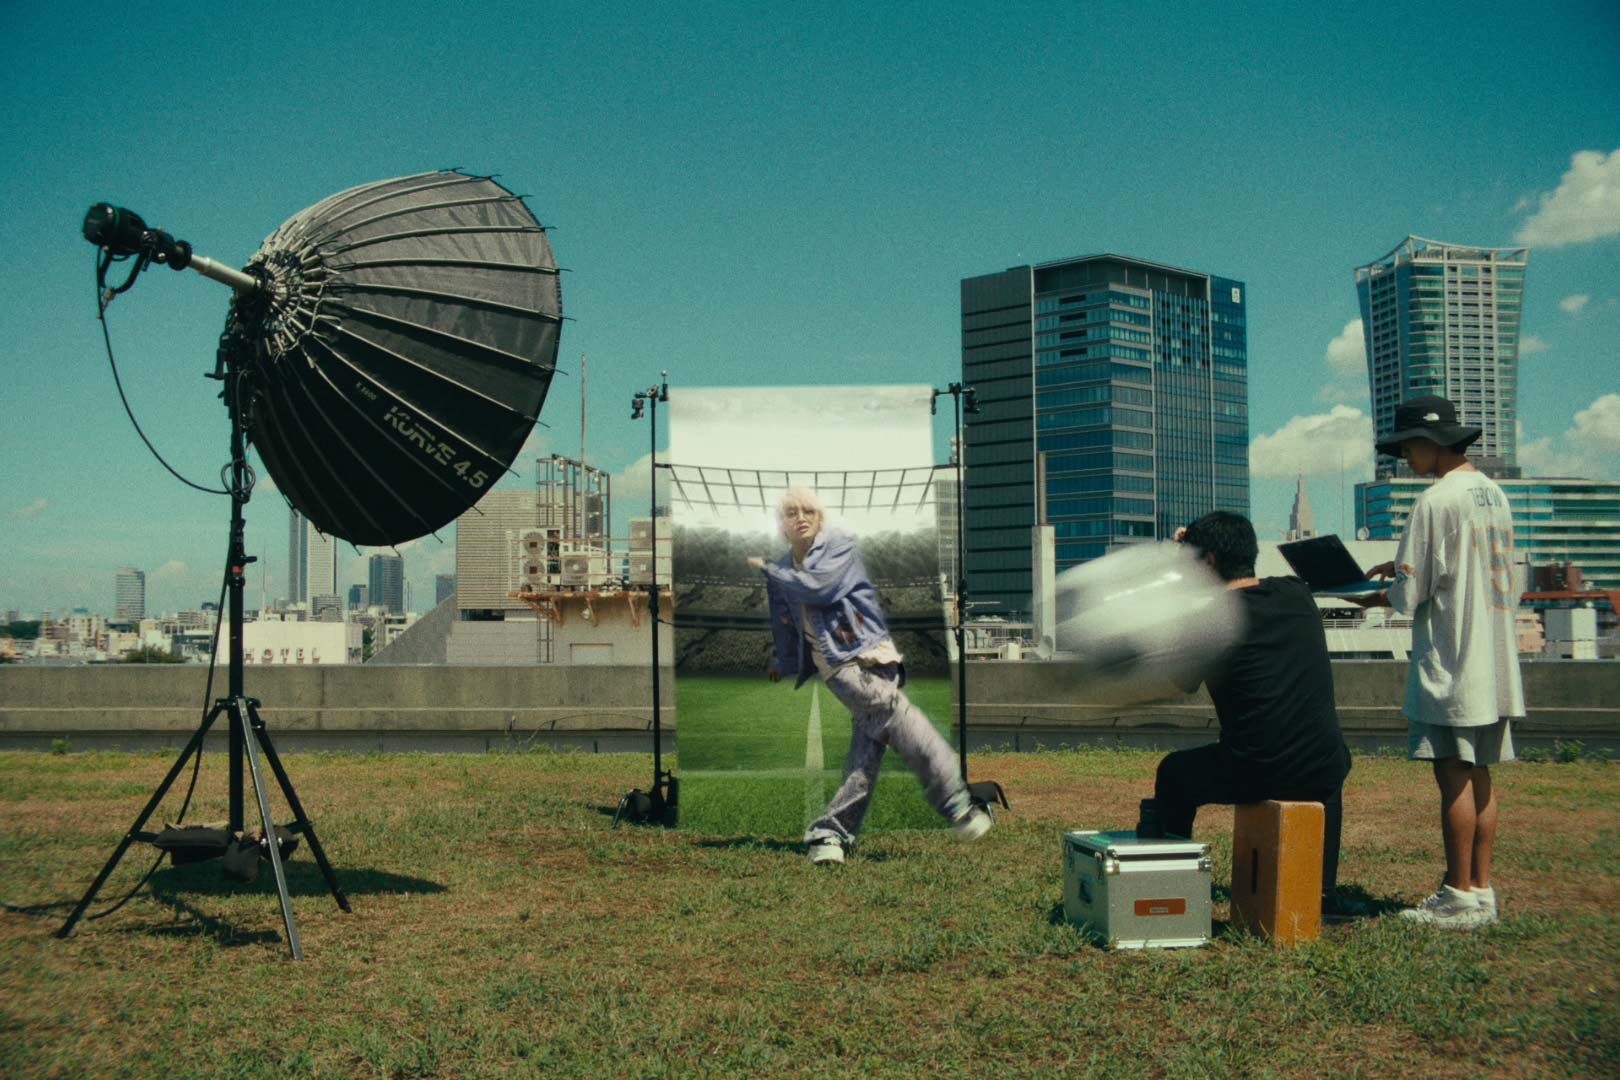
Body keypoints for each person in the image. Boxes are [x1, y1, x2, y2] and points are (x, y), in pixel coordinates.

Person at [747, 486, 992, 864]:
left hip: (878, 658)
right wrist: (784, 659)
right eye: (791, 513)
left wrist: (770, 570)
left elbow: (820, 588)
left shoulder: (839, 547)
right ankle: (957, 807)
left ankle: (831, 834)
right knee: (897, 717)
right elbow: (784, 620)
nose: (801, 518)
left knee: (867, 752)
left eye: (809, 510)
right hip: (842, 666)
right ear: (781, 524)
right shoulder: (781, 570)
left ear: (820, 517)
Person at [1356, 395, 1524, 929]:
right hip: (1495, 657)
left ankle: (1456, 895)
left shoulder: (1435, 500)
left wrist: (1370, 597)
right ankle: (1481, 891)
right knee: (1481, 775)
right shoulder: (1494, 494)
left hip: (1454, 659)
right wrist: (1401, 565)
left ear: (1431, 443)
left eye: (1408, 447)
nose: (1405, 457)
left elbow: (1410, 594)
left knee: (1452, 775)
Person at [1144, 511, 1354, 913]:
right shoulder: (1297, 594)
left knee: (1173, 774)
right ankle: (1321, 892)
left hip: (1255, 770)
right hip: (1320, 770)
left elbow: (1176, 683)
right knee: (1328, 758)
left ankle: (1174, 884)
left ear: (1207, 562)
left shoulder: (1210, 621)